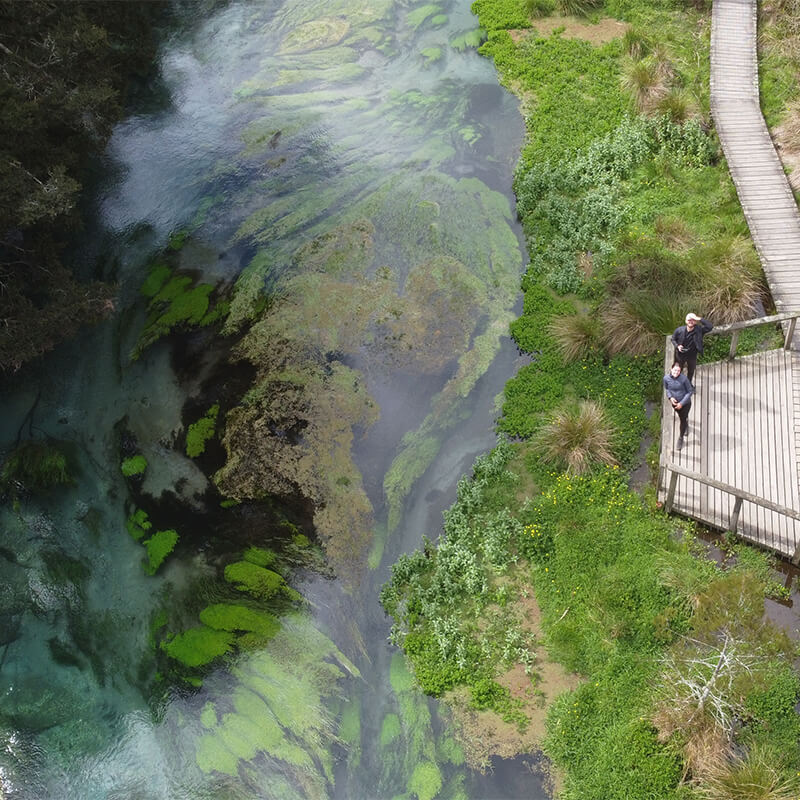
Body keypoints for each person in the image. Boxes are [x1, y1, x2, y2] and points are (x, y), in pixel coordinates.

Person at [671, 313, 712, 384]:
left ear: (695, 321)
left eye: (693, 320)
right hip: (681, 354)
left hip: (692, 355)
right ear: (686, 321)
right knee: (678, 369)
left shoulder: (699, 330)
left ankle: (688, 383)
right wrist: (677, 346)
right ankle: (677, 382)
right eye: (689, 320)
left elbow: (710, 326)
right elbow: (673, 339)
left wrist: (699, 318)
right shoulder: (679, 330)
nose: (691, 321)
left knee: (691, 370)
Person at [663, 360, 694, 451]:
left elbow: (690, 391)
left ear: (680, 371)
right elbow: (667, 389)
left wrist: (681, 403)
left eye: (678, 371)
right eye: (674, 370)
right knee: (681, 417)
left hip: (685, 404)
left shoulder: (684, 379)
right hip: (675, 404)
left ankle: (681, 438)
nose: (676, 372)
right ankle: (686, 424)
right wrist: (670, 398)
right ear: (671, 369)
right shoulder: (666, 378)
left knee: (683, 419)